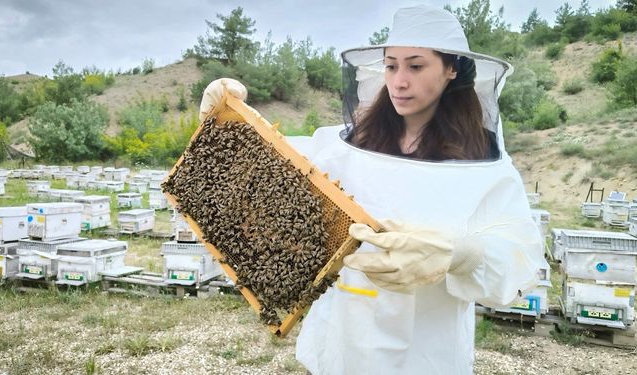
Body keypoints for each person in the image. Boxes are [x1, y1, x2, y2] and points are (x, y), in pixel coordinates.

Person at [198, 5, 543, 375]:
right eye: (391, 65)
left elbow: (519, 257)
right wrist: (224, 121)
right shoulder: (343, 145)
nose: (399, 80)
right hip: (340, 344)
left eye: (415, 65)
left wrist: (464, 254)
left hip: (427, 354)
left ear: (451, 69)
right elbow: (268, 163)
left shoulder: (486, 168)